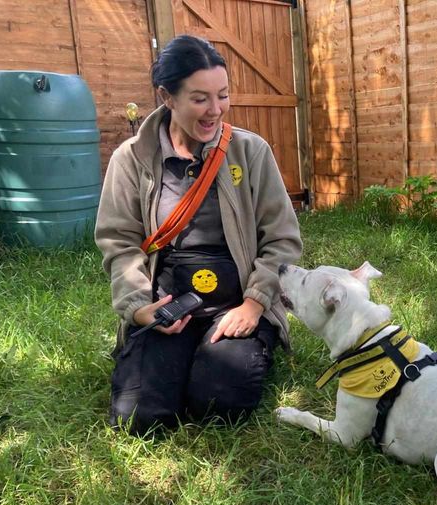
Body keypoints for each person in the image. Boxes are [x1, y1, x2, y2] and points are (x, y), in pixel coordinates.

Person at [95, 35, 302, 436]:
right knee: (138, 418)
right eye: (200, 98)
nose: (215, 110)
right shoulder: (131, 159)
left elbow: (282, 240)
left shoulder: (251, 152)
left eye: (222, 96)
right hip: (168, 308)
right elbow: (118, 242)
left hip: (236, 307)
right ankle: (173, 355)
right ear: (166, 96)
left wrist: (255, 304)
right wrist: (140, 307)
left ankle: (241, 347)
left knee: (220, 405)